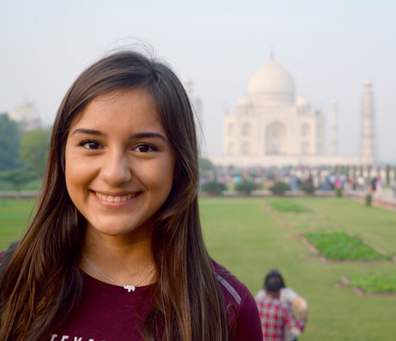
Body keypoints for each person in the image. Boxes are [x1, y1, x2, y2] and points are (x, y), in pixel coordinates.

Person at [0, 50, 262, 341]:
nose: (114, 174)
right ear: (61, 155)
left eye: (144, 148)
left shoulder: (224, 308)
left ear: (179, 163)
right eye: (91, 144)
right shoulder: (9, 281)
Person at [255, 270, 307, 341]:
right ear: (279, 291)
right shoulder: (284, 307)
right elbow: (297, 330)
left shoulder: (256, 303)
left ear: (265, 289)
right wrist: (303, 317)